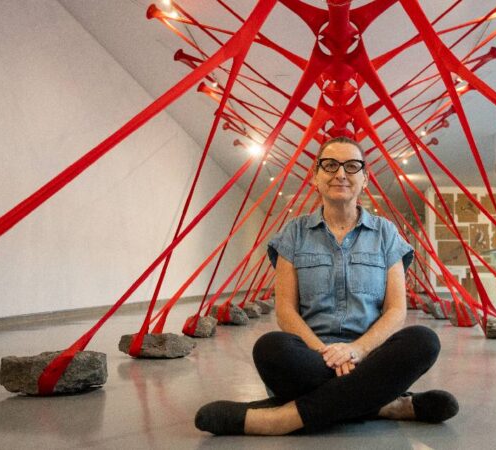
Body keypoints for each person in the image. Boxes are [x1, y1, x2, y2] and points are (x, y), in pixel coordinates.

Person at [195, 136, 458, 436]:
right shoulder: (294, 233)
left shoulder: (386, 233)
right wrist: (326, 353)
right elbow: (286, 311)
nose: (340, 174)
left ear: (365, 178)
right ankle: (384, 404)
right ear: (315, 176)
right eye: (330, 165)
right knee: (270, 349)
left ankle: (284, 418)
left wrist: (356, 350)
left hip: (371, 357)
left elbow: (396, 310)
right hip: (312, 357)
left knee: (424, 341)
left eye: (352, 166)